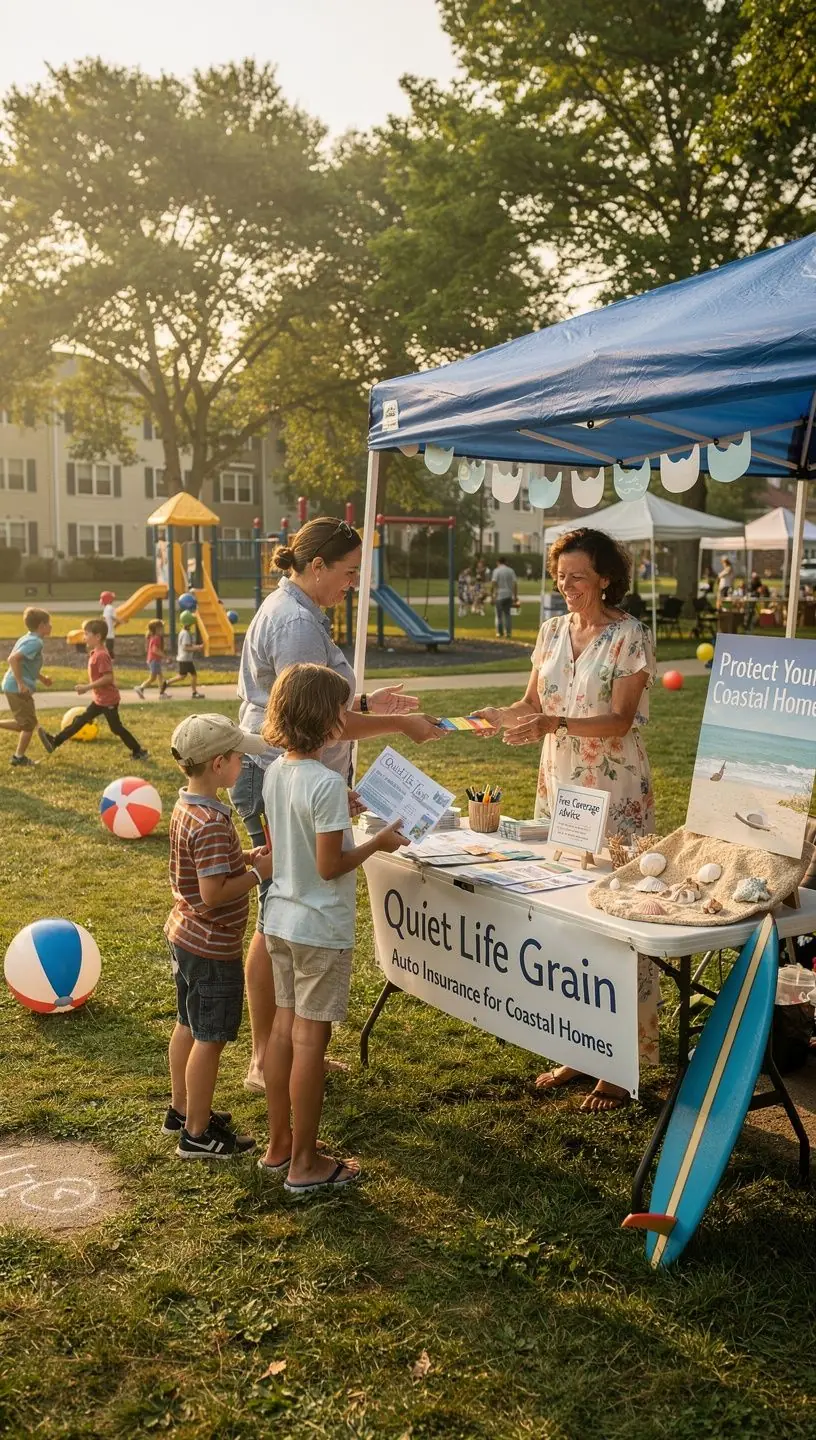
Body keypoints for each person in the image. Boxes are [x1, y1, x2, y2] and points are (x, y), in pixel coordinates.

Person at [230, 515, 444, 1094]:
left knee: (278, 914)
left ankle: (288, 1053)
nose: (353, 583)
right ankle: (269, 1057)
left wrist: (371, 700)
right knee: (276, 918)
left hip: (286, 778)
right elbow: (324, 720)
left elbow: (320, 702)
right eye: (348, 573)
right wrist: (400, 724)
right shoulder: (297, 621)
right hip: (282, 776)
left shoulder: (296, 610)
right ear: (316, 566)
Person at [475, 527, 660, 1112]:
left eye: (578, 576)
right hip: (560, 790)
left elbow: (620, 721)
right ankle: (581, 1045)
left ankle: (625, 1059)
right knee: (567, 912)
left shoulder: (631, 635)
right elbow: (532, 705)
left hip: (614, 790)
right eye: (561, 575)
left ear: (606, 577)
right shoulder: (553, 630)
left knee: (620, 914)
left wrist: (553, 725)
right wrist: (498, 717)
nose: (567, 585)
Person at [258, 663, 409, 1192]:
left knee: (281, 1031)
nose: (346, 718)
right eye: (342, 710)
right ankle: (305, 1165)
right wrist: (377, 842)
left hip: (278, 917)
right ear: (327, 720)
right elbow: (330, 866)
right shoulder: (325, 781)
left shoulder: (278, 770)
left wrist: (336, 814)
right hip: (318, 928)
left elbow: (286, 847)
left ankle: (278, 1148)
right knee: (309, 1044)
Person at [164, 713, 273, 1160]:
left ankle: (181, 1109)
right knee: (211, 1037)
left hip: (184, 937)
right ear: (217, 765)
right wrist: (256, 872)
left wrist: (244, 853)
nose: (243, 765)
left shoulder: (188, 806)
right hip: (211, 946)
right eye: (239, 759)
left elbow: (203, 864)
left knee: (188, 1025)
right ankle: (196, 1134)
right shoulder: (211, 823)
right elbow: (212, 894)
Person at [48, 619, 149, 759]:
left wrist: (87, 687)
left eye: (87, 634)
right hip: (100, 699)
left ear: (97, 636)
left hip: (108, 701)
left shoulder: (101, 655)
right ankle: (55, 741)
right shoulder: (96, 652)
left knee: (116, 728)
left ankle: (138, 751)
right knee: (80, 720)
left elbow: (108, 678)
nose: (84, 637)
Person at [0, 607, 55, 767]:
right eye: (49, 623)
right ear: (41, 625)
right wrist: (20, 683)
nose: (51, 626)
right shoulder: (35, 642)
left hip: (14, 685)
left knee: (26, 723)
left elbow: (27, 664)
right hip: (16, 687)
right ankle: (18, 758)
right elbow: (13, 659)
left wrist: (42, 678)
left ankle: (20, 756)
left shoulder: (28, 638)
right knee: (28, 726)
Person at [163, 615, 205, 698]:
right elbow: (186, 648)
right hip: (185, 659)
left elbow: (188, 645)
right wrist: (198, 648)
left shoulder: (184, 632)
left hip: (184, 658)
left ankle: (167, 682)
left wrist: (197, 646)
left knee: (182, 676)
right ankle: (194, 693)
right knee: (193, 675)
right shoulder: (185, 634)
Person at [135, 619, 168, 700]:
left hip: (154, 660)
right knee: (153, 678)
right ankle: (141, 688)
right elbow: (154, 650)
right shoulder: (156, 638)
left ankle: (162, 693)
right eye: (161, 628)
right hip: (154, 660)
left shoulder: (155, 637)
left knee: (160, 676)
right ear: (157, 630)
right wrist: (165, 656)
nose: (163, 630)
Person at [491, 556, 518, 637]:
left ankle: (499, 632)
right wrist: (515, 596)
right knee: (507, 615)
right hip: (508, 595)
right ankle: (508, 632)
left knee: (498, 615)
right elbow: (514, 584)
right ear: (505, 562)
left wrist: (492, 594)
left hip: (499, 594)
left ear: (498, 562)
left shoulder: (496, 571)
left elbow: (494, 583)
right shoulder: (510, 570)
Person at [99, 591, 117, 657]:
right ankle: (110, 661)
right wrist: (122, 621)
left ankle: (109, 660)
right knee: (109, 649)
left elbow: (107, 618)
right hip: (109, 633)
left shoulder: (107, 608)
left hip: (107, 632)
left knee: (108, 648)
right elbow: (114, 618)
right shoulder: (110, 607)